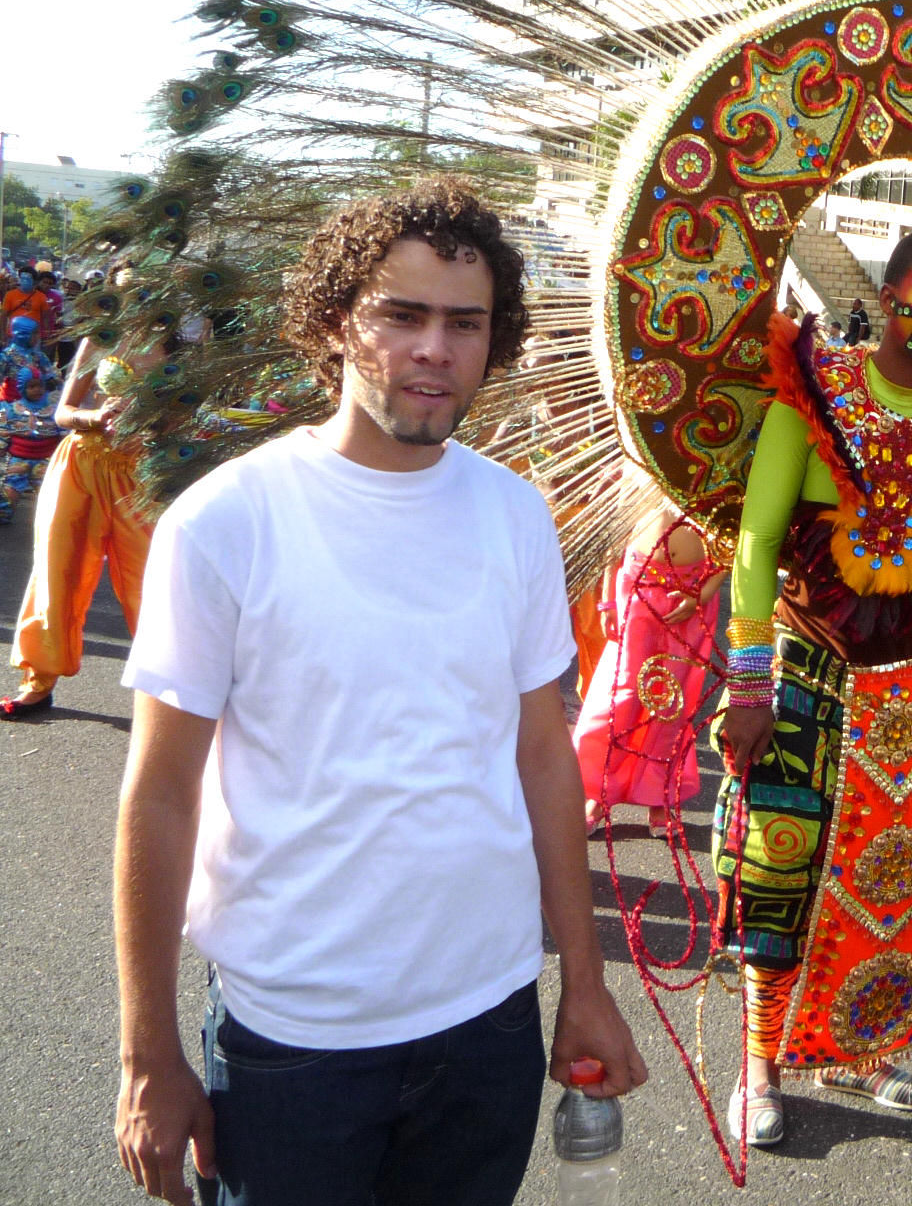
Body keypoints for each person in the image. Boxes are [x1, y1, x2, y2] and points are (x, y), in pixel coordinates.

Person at [112, 183, 647, 1206]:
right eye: (401, 315)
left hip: (488, 1020)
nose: (434, 350)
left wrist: (583, 983)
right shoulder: (226, 522)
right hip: (294, 1042)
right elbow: (161, 794)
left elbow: (542, 754)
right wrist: (150, 1054)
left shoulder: (514, 516)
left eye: (464, 323)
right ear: (332, 325)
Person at [710, 224, 912, 1146]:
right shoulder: (813, 396)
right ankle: (760, 1064)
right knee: (781, 867)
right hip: (809, 671)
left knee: (899, 876)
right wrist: (746, 682)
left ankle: (867, 1049)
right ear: (887, 297)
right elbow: (758, 541)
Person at [2, 328, 159, 717]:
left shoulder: (182, 348)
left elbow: (185, 419)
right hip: (79, 465)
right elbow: (63, 412)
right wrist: (96, 416)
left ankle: (167, 690)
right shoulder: (100, 339)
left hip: (139, 474)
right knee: (57, 571)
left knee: (154, 579)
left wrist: (146, 425)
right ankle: (38, 681)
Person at [573, 504, 724, 835]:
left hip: (692, 590)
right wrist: (608, 601)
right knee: (623, 691)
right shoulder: (639, 454)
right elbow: (618, 528)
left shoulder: (720, 453)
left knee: (672, 701)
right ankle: (600, 794)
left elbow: (739, 536)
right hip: (637, 583)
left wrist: (703, 592)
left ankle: (661, 797)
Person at [0, 368, 62, 523]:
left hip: (45, 461)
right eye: (31, 386)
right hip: (18, 460)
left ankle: (51, 523)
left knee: (49, 495)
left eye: (40, 386)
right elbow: (4, 433)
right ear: (22, 388)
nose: (37, 390)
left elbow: (63, 435)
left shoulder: (54, 410)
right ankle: (5, 514)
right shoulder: (11, 410)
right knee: (9, 495)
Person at [1, 267, 49, 345]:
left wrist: (46, 334)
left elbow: (46, 317)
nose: (24, 282)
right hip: (13, 336)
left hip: (32, 338)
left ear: (34, 281)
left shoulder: (41, 296)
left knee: (33, 357)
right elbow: (4, 316)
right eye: (22, 279)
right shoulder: (10, 295)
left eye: (28, 279)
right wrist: (3, 334)